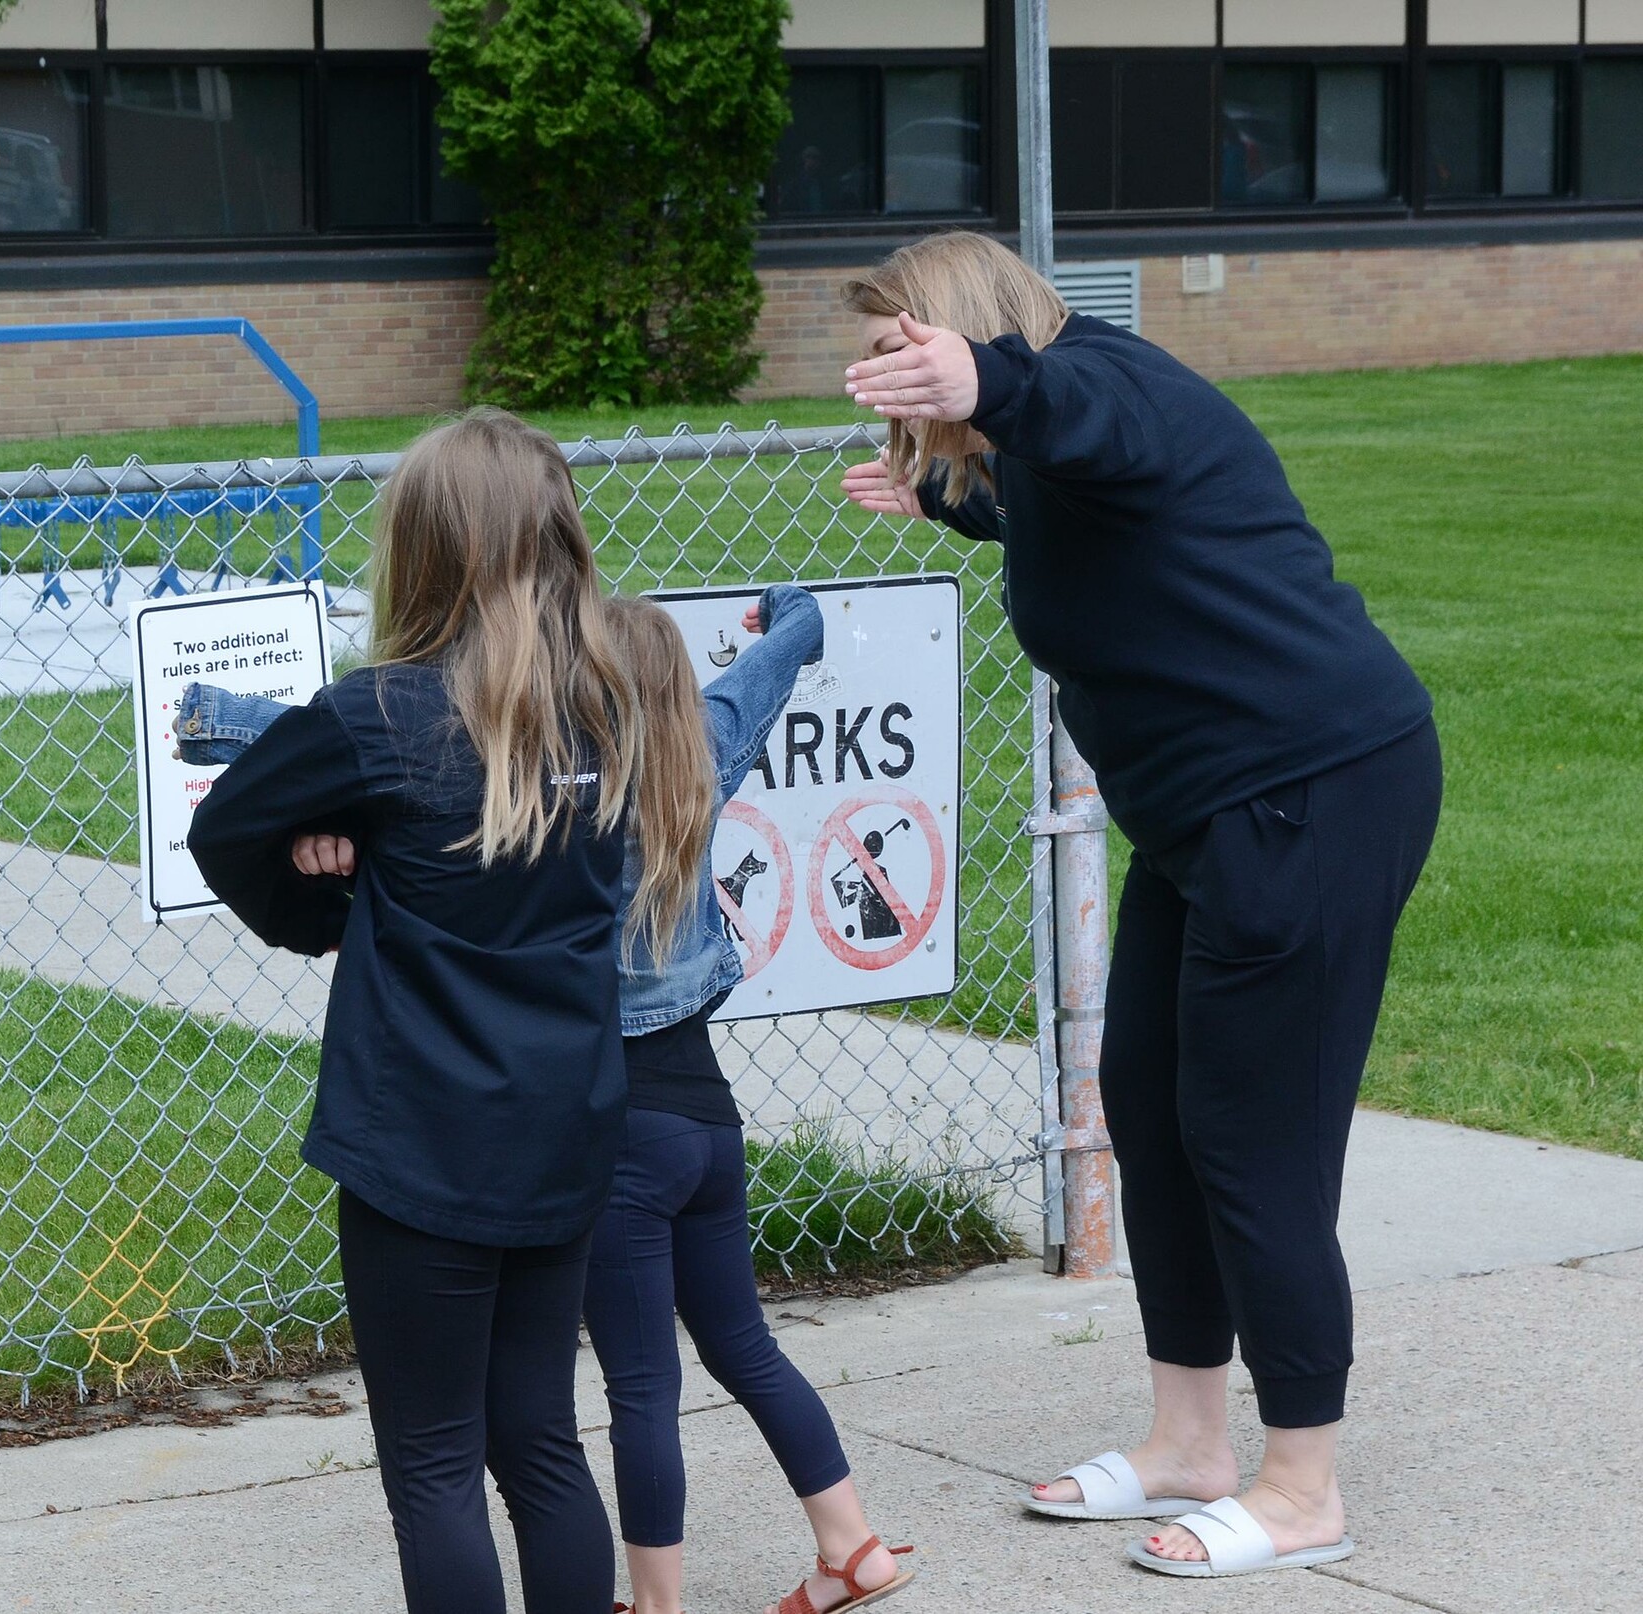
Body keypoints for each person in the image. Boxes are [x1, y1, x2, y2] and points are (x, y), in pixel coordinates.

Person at [838, 232, 1440, 1579]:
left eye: (903, 349)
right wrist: (946, 500)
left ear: (969, 338)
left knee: (1250, 1134)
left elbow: (1082, 417)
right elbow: (1072, 496)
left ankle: (1304, 1487)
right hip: (1210, 817)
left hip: (1313, 793)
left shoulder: (1111, 387)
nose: (888, 379)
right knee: (1153, 1107)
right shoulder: (1053, 455)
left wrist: (979, 378)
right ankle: (1188, 1443)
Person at [178, 587, 916, 1614]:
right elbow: (760, 679)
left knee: (628, 1393)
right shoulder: (696, 750)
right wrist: (791, 615)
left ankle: (655, 1604)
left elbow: (404, 752)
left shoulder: (549, 782)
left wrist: (229, 728)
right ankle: (852, 1541)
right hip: (708, 1115)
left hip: (615, 1124)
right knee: (739, 1346)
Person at [186, 409, 701, 1614]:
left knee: (432, 1466)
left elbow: (225, 827)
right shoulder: (617, 702)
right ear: (559, 537)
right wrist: (353, 863)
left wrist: (334, 882)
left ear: (418, 551)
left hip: (422, 1145)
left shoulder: (380, 717)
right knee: (538, 1445)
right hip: (568, 1128)